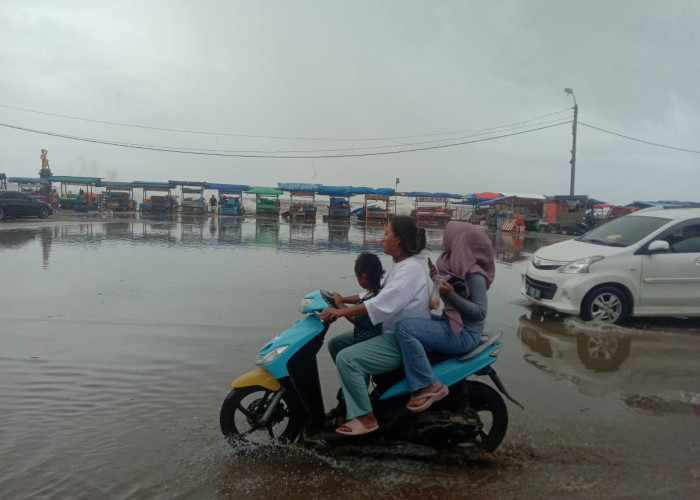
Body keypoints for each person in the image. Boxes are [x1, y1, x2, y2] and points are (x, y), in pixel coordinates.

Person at [320, 216, 430, 436]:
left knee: (346, 358)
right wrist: (339, 299)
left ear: (398, 239)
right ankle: (355, 399)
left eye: (386, 233)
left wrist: (341, 310)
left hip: (400, 340)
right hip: (389, 333)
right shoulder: (397, 268)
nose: (383, 238)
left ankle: (366, 418)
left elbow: (379, 303)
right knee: (336, 345)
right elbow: (371, 293)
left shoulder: (409, 270)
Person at [395, 221, 495, 413]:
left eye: (448, 237)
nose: (444, 241)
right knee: (406, 318)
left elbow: (480, 312)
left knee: (405, 328)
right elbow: (435, 303)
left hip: (465, 333)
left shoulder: (474, 274)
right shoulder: (449, 265)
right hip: (448, 322)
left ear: (459, 241)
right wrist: (436, 281)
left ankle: (427, 384)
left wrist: (450, 294)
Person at [327, 252, 385, 363]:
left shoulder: (376, 297)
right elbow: (360, 297)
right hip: (361, 334)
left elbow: (355, 319)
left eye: (357, 276)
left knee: (344, 356)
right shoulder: (375, 288)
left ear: (363, 277)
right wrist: (342, 299)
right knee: (334, 344)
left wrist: (340, 306)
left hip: (368, 339)